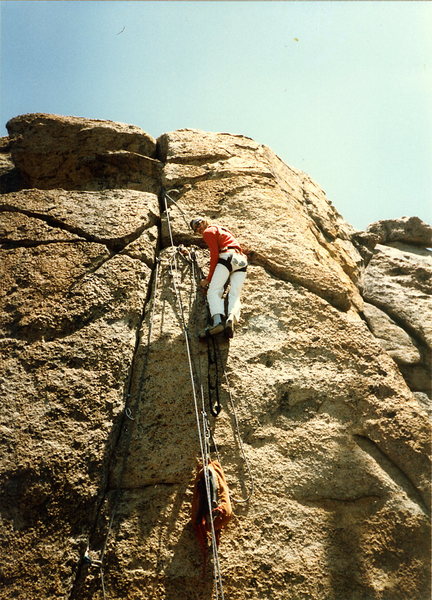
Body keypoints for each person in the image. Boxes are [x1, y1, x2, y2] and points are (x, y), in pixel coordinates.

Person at [190, 217, 248, 338]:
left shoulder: (208, 232)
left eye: (198, 225)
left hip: (227, 257)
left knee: (213, 291)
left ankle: (217, 322)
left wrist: (208, 279)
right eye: (196, 229)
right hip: (241, 260)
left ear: (204, 221)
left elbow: (215, 255)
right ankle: (231, 318)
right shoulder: (222, 229)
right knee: (235, 294)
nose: (199, 229)